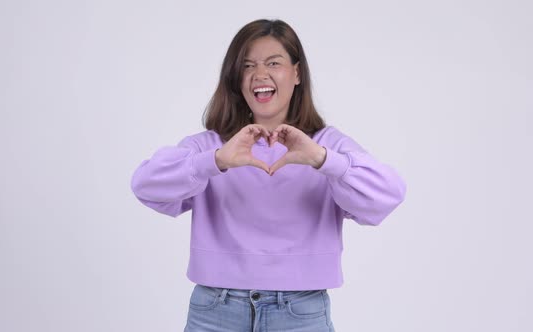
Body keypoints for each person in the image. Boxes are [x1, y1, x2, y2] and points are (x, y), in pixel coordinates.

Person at [130, 18, 406, 332]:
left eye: (273, 62)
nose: (260, 74)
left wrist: (322, 160)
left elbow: (388, 196)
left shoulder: (328, 146)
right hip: (215, 311)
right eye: (248, 66)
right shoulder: (212, 147)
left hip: (300, 311)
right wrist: (217, 161)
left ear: (297, 73)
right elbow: (144, 185)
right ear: (236, 79)